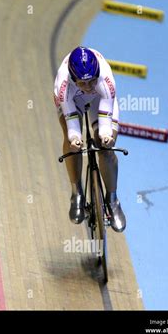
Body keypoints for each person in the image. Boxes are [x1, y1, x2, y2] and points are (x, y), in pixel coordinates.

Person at [53, 46, 126, 232]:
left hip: (100, 100)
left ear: (97, 75)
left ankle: (113, 199)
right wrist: (75, 138)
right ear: (72, 77)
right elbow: (72, 126)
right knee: (73, 145)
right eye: (82, 83)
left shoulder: (106, 78)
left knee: (105, 148)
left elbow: (105, 119)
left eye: (92, 81)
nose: (88, 87)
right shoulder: (62, 84)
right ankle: (76, 193)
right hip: (72, 101)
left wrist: (106, 135)